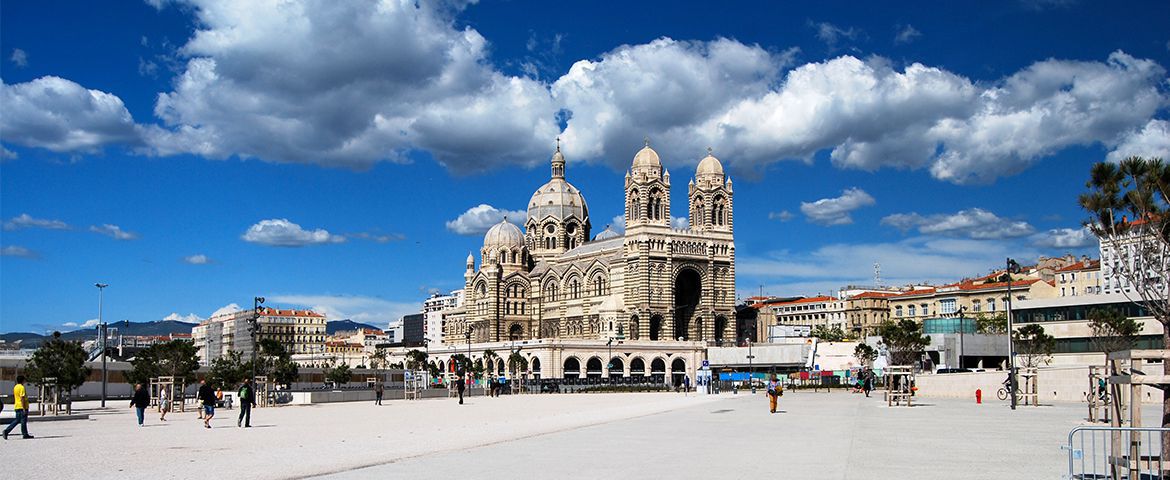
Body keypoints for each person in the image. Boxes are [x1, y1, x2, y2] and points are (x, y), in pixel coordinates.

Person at [3, 375, 33, 439]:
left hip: (17, 406)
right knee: (23, 421)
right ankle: (24, 434)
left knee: (17, 420)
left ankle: (7, 431)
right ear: (22, 380)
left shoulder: (15, 387)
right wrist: (24, 408)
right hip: (22, 406)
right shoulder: (22, 387)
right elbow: (22, 397)